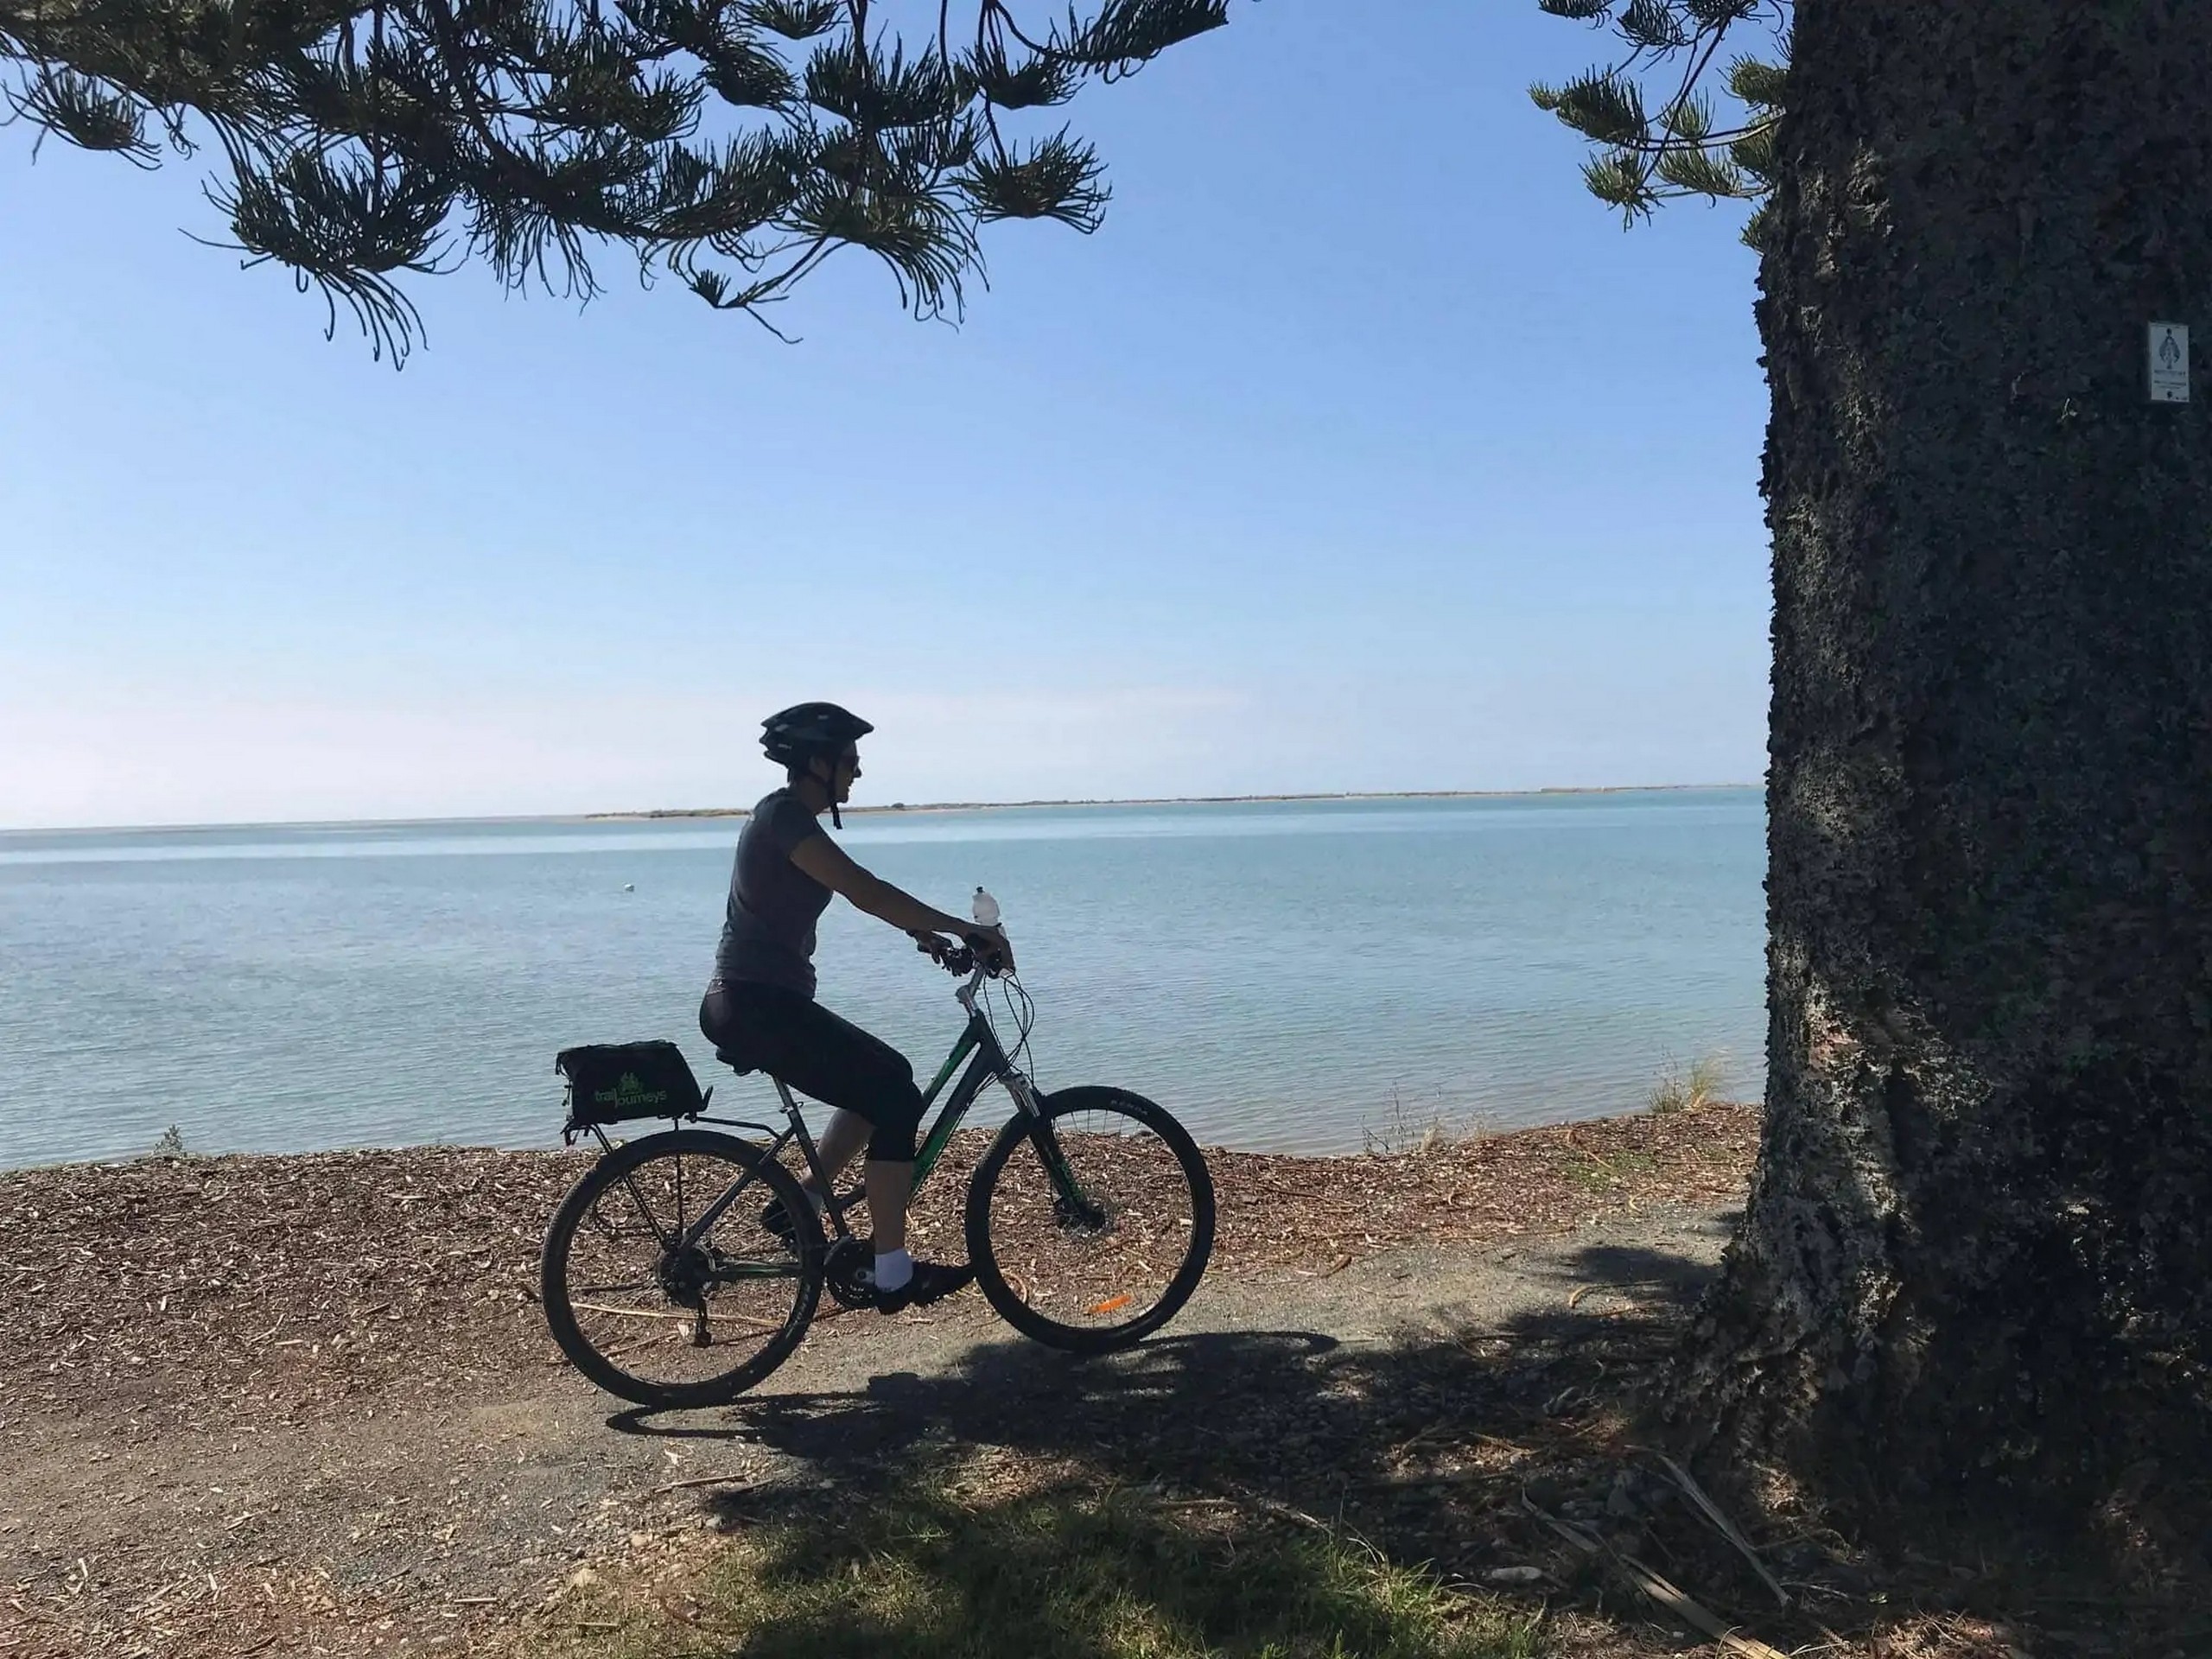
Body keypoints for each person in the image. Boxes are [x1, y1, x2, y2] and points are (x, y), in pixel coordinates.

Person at [697, 702, 1012, 1313]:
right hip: (757, 1003)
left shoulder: (786, 819)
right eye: (850, 762)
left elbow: (851, 892)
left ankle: (804, 1205)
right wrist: (963, 929)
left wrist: (924, 935)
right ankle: (892, 1273)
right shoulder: (785, 818)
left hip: (755, 1002)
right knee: (894, 1090)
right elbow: (863, 889)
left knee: (874, 1087)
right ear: (817, 763)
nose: (857, 775)